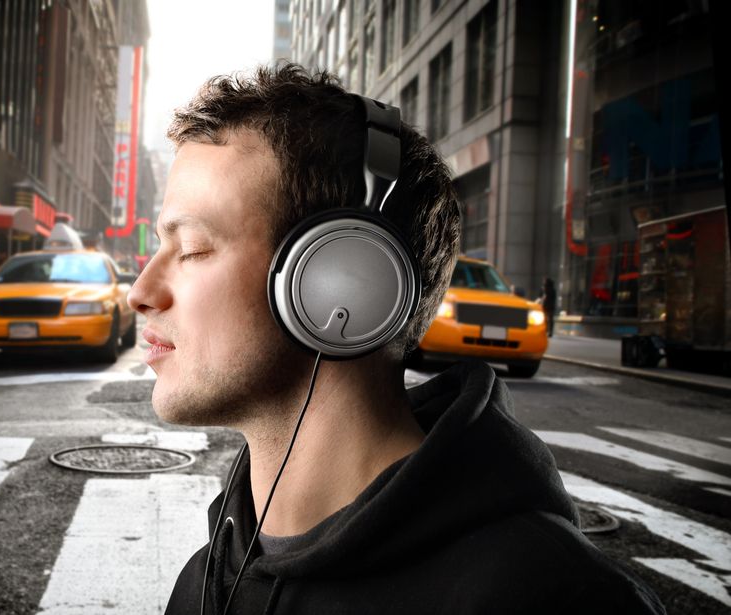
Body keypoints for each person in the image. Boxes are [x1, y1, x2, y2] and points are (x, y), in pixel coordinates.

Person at [127, 64, 664, 615]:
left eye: (191, 247)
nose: (140, 293)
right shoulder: (210, 579)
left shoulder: (556, 600)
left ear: (343, 279)